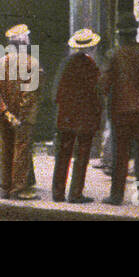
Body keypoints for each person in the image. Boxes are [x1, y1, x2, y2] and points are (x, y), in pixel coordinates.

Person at [99, 12, 139, 206]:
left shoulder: (114, 55)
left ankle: (116, 196)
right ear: (135, 33)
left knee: (120, 156)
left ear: (120, 35)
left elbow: (103, 85)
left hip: (120, 113)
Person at [0, 23, 41, 200]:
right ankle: (19, 189)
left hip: (3, 116)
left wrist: (5, 113)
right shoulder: (31, 63)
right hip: (23, 118)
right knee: (21, 151)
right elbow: (29, 94)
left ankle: (4, 188)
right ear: (25, 42)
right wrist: (19, 116)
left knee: (4, 150)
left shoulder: (0, 63)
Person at [52, 28, 102, 203]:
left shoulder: (65, 63)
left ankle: (57, 193)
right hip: (85, 119)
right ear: (91, 47)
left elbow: (56, 92)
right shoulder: (91, 66)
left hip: (65, 117)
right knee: (81, 157)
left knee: (63, 155)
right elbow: (97, 93)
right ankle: (75, 193)